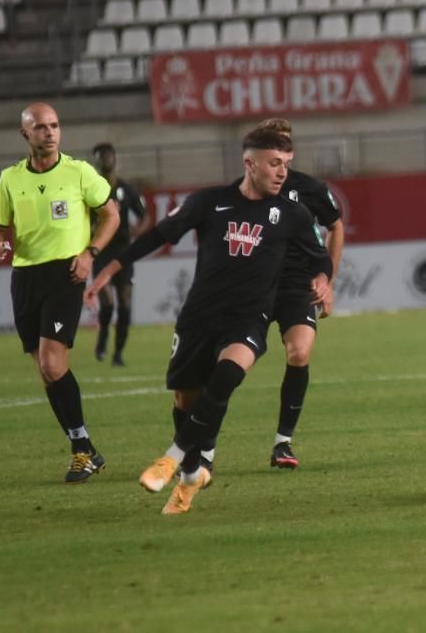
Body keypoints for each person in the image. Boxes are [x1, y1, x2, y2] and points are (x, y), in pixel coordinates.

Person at [85, 128, 333, 515]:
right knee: (186, 399)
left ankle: (171, 457)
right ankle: (190, 477)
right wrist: (110, 267)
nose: (282, 172)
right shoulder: (209, 202)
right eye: (273, 164)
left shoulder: (293, 214)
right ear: (249, 164)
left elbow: (320, 257)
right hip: (198, 319)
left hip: (248, 319)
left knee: (227, 377)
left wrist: (322, 279)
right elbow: (157, 236)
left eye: (286, 164)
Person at [0, 103, 120, 484]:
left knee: (50, 362)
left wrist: (90, 253)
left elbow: (111, 214)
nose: (50, 132)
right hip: (25, 277)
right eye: (41, 127)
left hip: (65, 273)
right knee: (46, 371)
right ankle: (86, 449)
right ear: (24, 134)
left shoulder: (79, 173)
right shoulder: (10, 179)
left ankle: (81, 449)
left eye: (55, 126)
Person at [252, 117, 345, 469]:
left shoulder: (309, 188)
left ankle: (283, 443)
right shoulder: (246, 192)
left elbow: (335, 226)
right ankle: (204, 446)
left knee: (300, 352)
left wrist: (327, 279)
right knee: (232, 365)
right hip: (256, 287)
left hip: (296, 286)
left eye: (285, 147)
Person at [90, 142, 150, 366]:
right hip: (100, 250)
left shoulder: (127, 189)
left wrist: (137, 230)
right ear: (95, 162)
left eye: (108, 154)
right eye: (101, 156)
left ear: (115, 158)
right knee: (107, 304)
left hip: (124, 250)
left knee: (125, 304)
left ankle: (118, 354)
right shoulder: (90, 190)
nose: (106, 158)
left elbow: (145, 216)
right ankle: (103, 335)